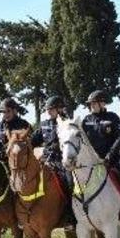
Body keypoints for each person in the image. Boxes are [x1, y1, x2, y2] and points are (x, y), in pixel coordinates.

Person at [81, 90, 120, 211]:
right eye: (90, 104)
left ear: (103, 103)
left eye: (94, 103)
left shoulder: (112, 117)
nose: (92, 106)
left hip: (112, 155)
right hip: (93, 158)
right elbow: (82, 140)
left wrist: (110, 155)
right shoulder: (86, 120)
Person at [32, 95, 76, 228]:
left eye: (51, 109)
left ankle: (70, 216)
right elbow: (33, 141)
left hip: (61, 161)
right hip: (46, 160)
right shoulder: (44, 124)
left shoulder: (67, 123)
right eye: (47, 109)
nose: (48, 111)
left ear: (60, 109)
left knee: (69, 183)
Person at [0, 97, 32, 163]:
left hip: (20, 163)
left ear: (14, 111)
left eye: (8, 111)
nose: (5, 114)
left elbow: (30, 144)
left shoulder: (24, 125)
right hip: (1, 162)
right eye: (3, 112)